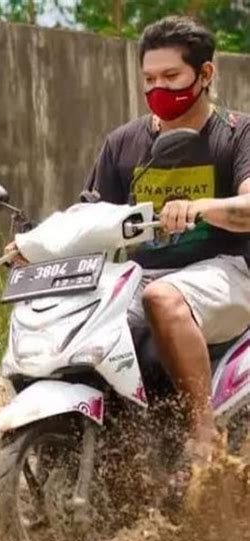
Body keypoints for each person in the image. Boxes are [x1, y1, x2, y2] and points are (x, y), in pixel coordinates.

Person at [80, 15, 250, 465]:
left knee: (162, 297)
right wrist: (35, 245)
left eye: (171, 76)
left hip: (229, 271)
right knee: (82, 313)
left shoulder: (237, 133)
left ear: (206, 74)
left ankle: (203, 432)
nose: (159, 88)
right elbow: (92, 214)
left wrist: (200, 208)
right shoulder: (123, 143)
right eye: (149, 78)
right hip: (144, 271)